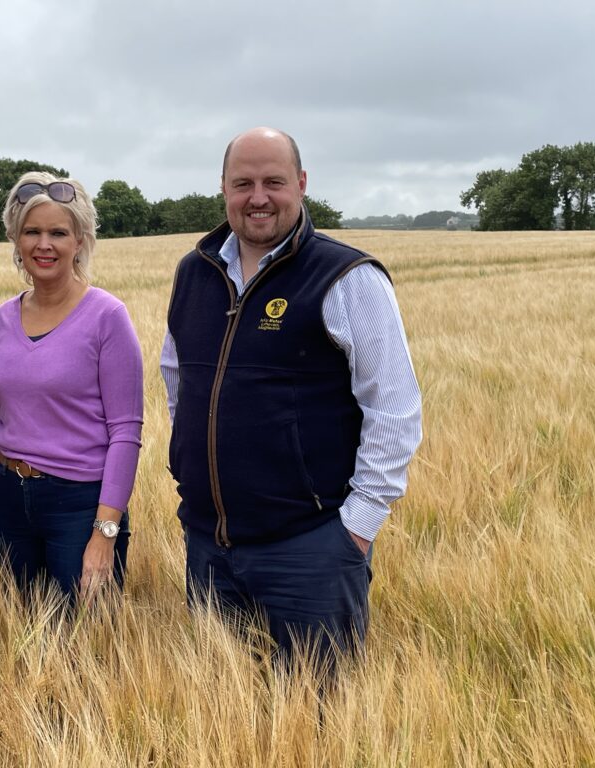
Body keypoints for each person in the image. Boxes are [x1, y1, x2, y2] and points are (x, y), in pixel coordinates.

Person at [161, 127, 422, 673]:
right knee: (220, 713)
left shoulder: (346, 276)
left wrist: (356, 528)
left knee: (319, 719)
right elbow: (178, 376)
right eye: (243, 183)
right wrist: (195, 464)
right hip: (209, 545)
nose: (258, 197)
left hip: (310, 549)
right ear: (224, 189)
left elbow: (394, 406)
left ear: (301, 185)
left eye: (273, 182)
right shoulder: (195, 272)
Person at [0, 171, 143, 602]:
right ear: (16, 239)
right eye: (32, 232)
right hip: (7, 499)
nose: (44, 245)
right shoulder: (2, 319)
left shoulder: (107, 317)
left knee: (83, 645)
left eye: (58, 232)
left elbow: (126, 431)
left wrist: (105, 535)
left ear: (79, 240)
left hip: (78, 506)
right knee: (15, 635)